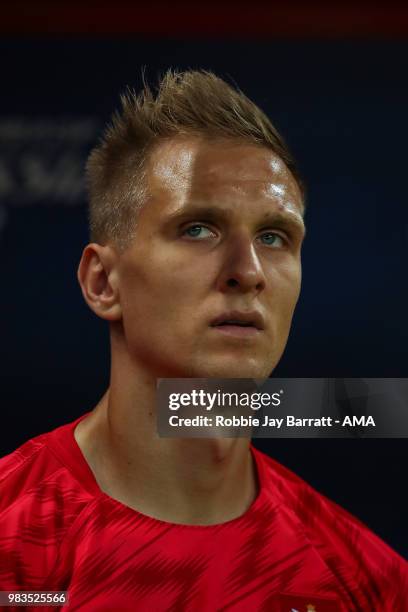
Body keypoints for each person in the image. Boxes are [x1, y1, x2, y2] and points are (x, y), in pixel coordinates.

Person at [0, 70, 406, 612]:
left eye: (274, 237)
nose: (249, 271)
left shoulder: (370, 583)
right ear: (103, 282)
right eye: (198, 229)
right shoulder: (12, 541)